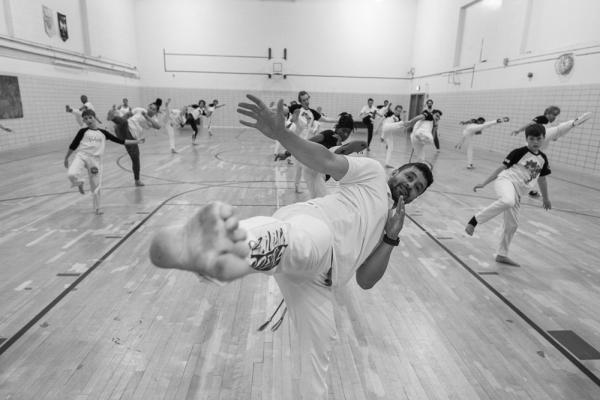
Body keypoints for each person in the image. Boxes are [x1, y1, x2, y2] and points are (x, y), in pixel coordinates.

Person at [148, 94, 434, 400]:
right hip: (318, 228)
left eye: (417, 187)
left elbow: (365, 281)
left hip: (321, 282)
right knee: (296, 240)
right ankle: (215, 244)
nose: (410, 185)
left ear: (416, 198)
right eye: (410, 176)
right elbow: (324, 160)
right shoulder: (375, 173)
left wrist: (391, 238)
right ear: (397, 172)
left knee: (320, 349)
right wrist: (283, 135)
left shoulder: (392, 224)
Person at [465, 124, 551, 267]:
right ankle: (474, 221)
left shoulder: (543, 159)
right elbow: (501, 168)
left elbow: (542, 179)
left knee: (512, 225)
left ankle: (502, 255)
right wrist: (484, 183)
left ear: (543, 139)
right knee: (507, 201)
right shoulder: (518, 152)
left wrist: (546, 198)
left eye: (539, 139)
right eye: (531, 139)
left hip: (518, 192)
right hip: (505, 181)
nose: (535, 142)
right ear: (526, 139)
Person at [64, 109, 144, 214]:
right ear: (84, 120)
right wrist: (66, 158)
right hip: (82, 156)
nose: (88, 120)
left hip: (95, 161)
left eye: (90, 117)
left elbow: (121, 141)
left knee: (96, 186)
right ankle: (79, 182)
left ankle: (97, 208)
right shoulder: (82, 132)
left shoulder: (103, 133)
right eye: (85, 118)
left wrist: (137, 141)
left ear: (94, 117)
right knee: (71, 174)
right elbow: (73, 145)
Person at [510, 106, 591, 197]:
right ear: (547, 113)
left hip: (538, 149)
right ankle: (573, 122)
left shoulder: (548, 125)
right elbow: (530, 124)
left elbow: (552, 137)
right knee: (558, 129)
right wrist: (518, 130)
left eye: (556, 115)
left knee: (534, 172)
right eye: (553, 114)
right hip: (533, 145)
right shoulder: (542, 118)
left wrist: (554, 137)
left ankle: (529, 190)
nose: (554, 117)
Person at [289, 91, 337, 193]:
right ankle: (297, 187)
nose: (306, 101)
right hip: (296, 142)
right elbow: (285, 110)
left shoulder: (312, 112)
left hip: (307, 144)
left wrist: (337, 120)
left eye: (307, 99)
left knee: (310, 166)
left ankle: (317, 185)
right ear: (300, 101)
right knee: (298, 168)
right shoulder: (297, 109)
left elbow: (325, 119)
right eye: (303, 100)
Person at [107, 101, 162, 186]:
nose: (151, 110)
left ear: (156, 112)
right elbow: (128, 115)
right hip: (123, 128)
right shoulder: (139, 110)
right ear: (147, 107)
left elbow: (158, 126)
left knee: (136, 158)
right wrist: (118, 121)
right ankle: (113, 118)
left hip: (131, 138)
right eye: (150, 107)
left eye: (153, 109)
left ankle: (137, 180)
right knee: (124, 122)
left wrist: (147, 117)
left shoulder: (153, 120)